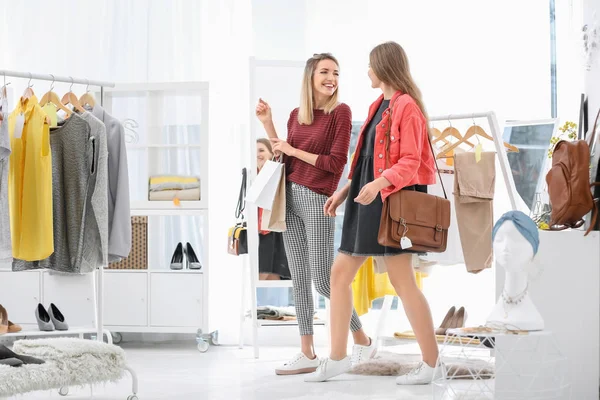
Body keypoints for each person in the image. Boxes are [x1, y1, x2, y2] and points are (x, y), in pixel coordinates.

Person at [306, 42, 439, 384]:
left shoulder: (406, 106)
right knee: (339, 275)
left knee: (403, 282)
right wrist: (344, 191)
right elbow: (364, 161)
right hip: (365, 199)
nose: (366, 71)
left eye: (370, 65)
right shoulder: (380, 104)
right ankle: (337, 356)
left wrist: (379, 184)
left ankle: (430, 363)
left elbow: (410, 161)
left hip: (388, 202)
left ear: (383, 67)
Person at [255, 53, 375, 375]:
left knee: (324, 280)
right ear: (310, 76)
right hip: (290, 197)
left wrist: (294, 150)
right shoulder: (297, 115)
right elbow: (287, 158)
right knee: (300, 277)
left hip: (319, 200)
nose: (331, 78)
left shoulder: (342, 113)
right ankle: (307, 352)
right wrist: (267, 124)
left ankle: (362, 338)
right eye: (324, 71)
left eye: (335, 73)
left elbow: (336, 164)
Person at [256, 138, 291, 281]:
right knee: (262, 274)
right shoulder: (251, 176)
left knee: (273, 274)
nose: (258, 154)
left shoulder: (278, 171)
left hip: (275, 228)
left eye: (261, 150)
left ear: (271, 153)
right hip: (260, 230)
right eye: (255, 151)